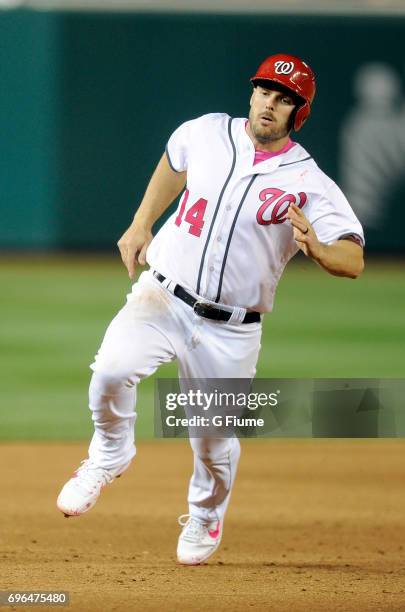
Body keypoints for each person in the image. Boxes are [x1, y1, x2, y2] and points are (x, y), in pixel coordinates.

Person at [57, 53, 364, 565]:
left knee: (211, 443)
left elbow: (352, 259)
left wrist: (321, 251)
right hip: (163, 295)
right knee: (110, 371)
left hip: (231, 328)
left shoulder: (310, 182)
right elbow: (173, 164)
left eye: (284, 98)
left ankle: (204, 513)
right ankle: (109, 454)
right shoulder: (205, 132)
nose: (270, 103)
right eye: (265, 91)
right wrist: (140, 222)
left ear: (298, 112)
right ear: (252, 93)